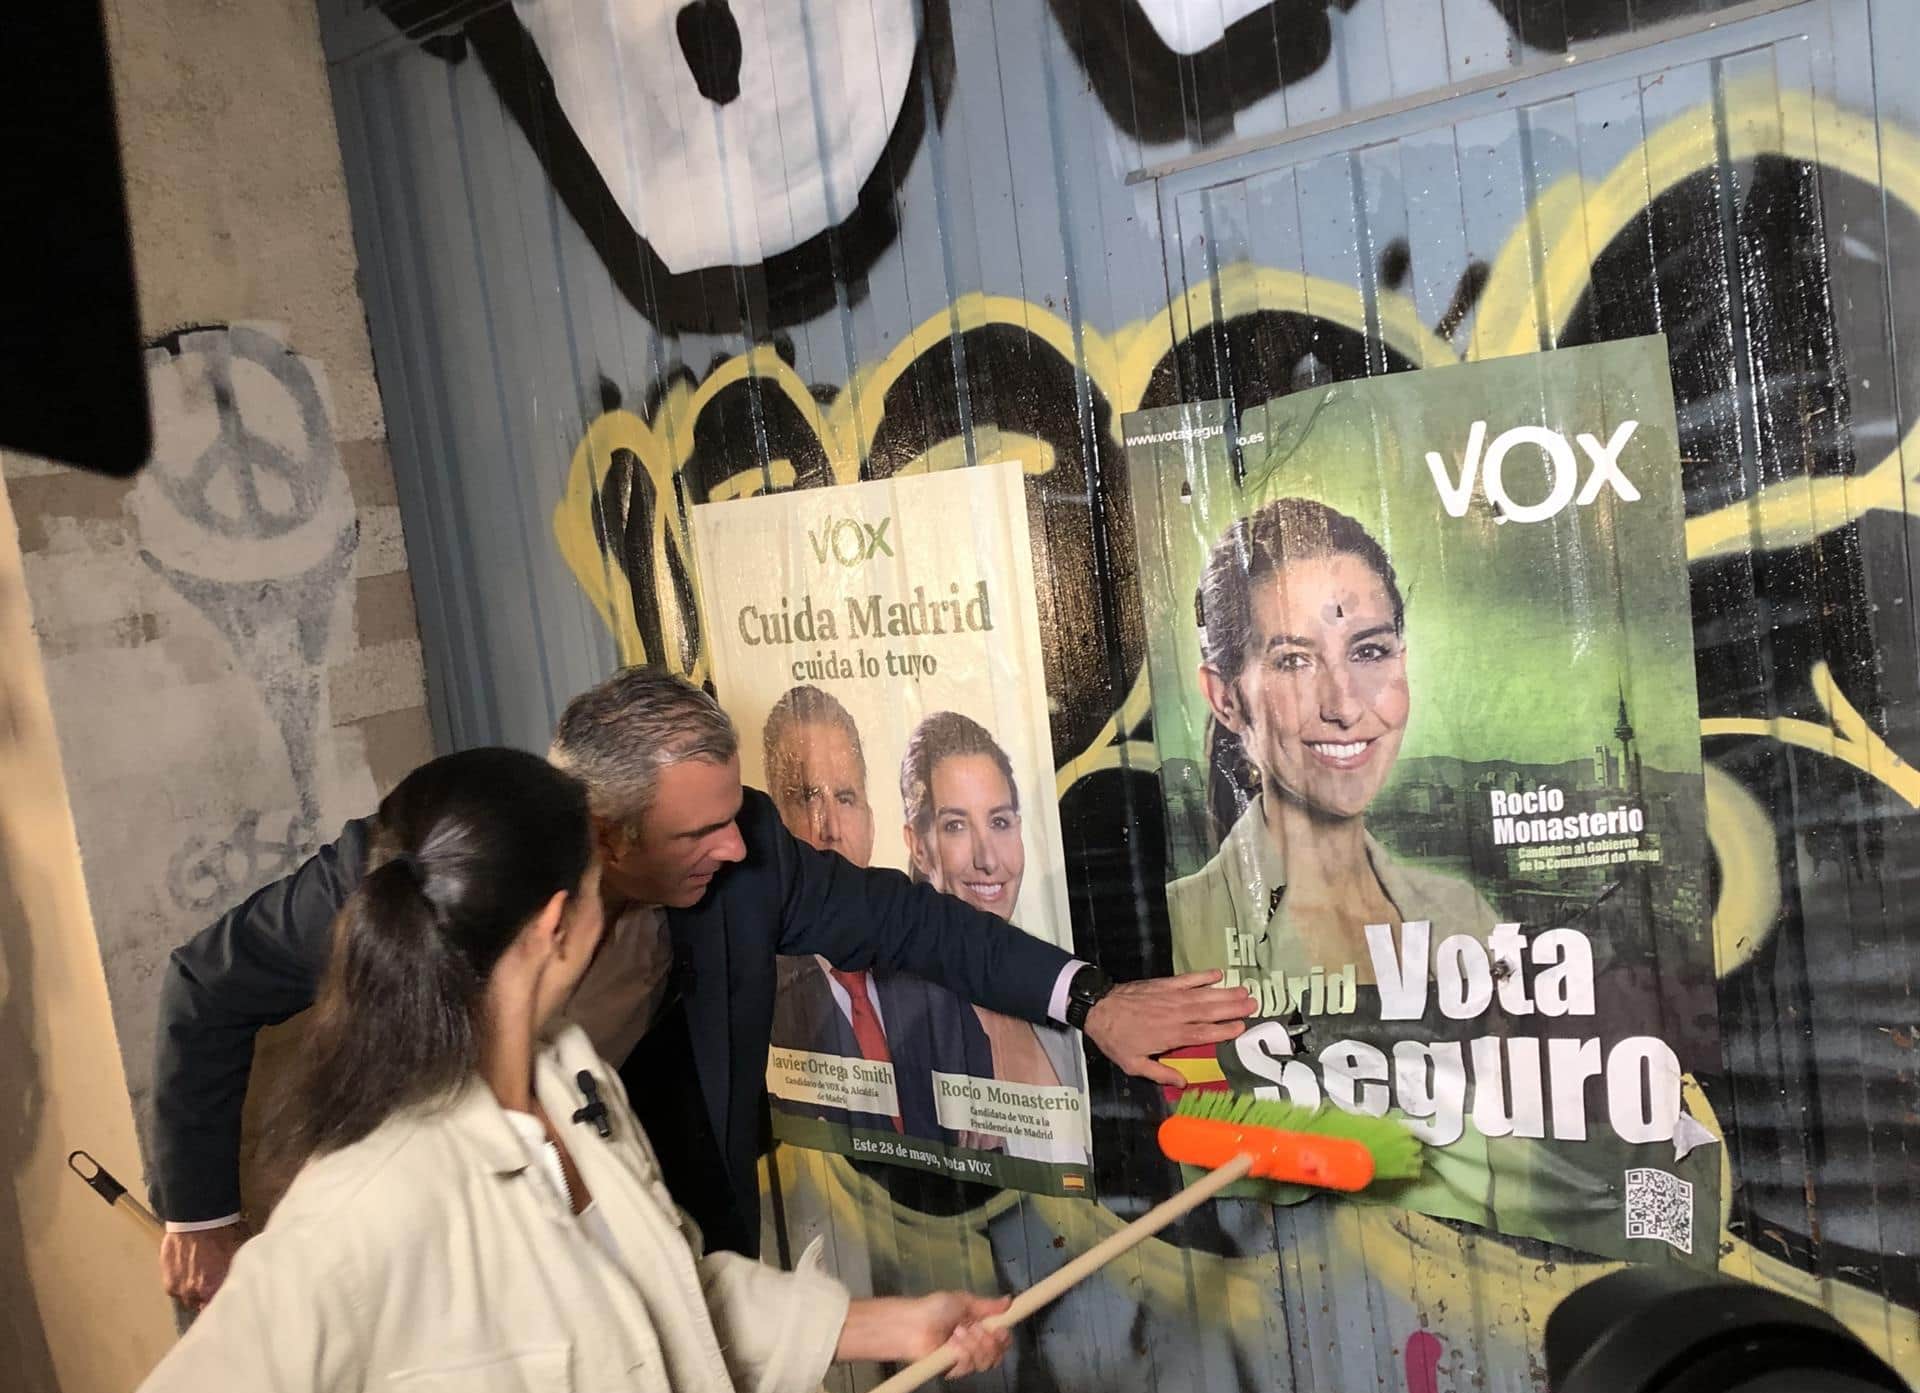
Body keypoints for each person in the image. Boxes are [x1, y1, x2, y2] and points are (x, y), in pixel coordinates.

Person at [79, 748, 1008, 1393]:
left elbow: (664, 1303)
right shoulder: (368, 1202)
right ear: (561, 923)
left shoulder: (576, 1087)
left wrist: (891, 1325)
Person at [155, 666, 1254, 1305]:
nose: (742, 846)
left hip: (656, 1256)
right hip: (438, 1275)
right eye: (704, 829)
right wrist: (200, 1216)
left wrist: (1093, 1001)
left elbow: (911, 922)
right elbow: (203, 987)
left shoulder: (748, 855)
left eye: (739, 814)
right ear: (600, 838)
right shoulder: (425, 870)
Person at [1167, 498, 1498, 979]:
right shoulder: (1183, 928)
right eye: (1294, 661)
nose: (1344, 707)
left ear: (1401, 664)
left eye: (1368, 651)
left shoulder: (1465, 919)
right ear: (1225, 699)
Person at [761, 685, 994, 1145]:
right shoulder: (758, 996)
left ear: (870, 818)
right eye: (806, 797)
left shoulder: (935, 979)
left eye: (845, 798)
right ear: (773, 822)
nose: (828, 828)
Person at [899, 711, 1086, 1098]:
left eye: (999, 822)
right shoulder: (900, 1019)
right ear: (919, 847)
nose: (987, 859)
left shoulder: (1053, 991)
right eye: (956, 825)